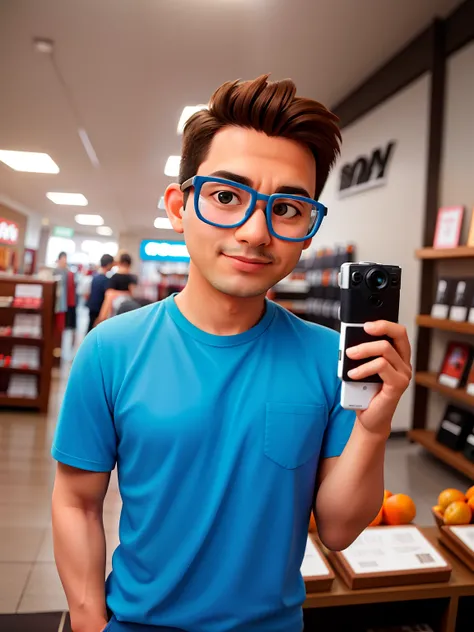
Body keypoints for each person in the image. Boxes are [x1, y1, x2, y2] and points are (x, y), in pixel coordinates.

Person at [51, 76, 412, 632]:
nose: (255, 230)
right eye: (226, 196)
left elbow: (339, 530)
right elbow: (76, 502)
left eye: (288, 208)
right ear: (180, 206)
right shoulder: (110, 351)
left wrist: (374, 425)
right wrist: (88, 621)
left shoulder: (329, 358)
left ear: (309, 230)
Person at [87, 254, 115, 332]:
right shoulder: (105, 280)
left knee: (90, 329)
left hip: (92, 307)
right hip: (98, 310)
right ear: (109, 264)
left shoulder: (95, 277)